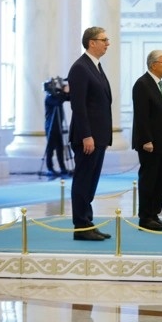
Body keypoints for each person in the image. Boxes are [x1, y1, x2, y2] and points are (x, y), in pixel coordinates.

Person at [67, 27, 113, 241]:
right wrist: (86, 135)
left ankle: (88, 221)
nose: (108, 43)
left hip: (99, 136)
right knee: (83, 179)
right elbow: (79, 106)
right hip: (88, 137)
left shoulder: (95, 66)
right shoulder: (80, 68)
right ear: (91, 42)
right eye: (104, 40)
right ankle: (81, 226)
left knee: (91, 181)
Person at [131, 50, 162, 231]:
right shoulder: (142, 84)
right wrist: (147, 140)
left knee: (160, 180)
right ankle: (145, 218)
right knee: (149, 179)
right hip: (149, 143)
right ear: (153, 65)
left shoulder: (161, 84)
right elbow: (141, 117)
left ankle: (154, 214)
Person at [44, 79, 71, 176]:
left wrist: (67, 91)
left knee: (60, 148)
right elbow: (58, 101)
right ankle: (50, 168)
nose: (55, 87)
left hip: (58, 126)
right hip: (50, 126)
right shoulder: (49, 97)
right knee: (50, 148)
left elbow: (67, 98)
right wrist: (64, 91)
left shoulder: (56, 95)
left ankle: (63, 168)